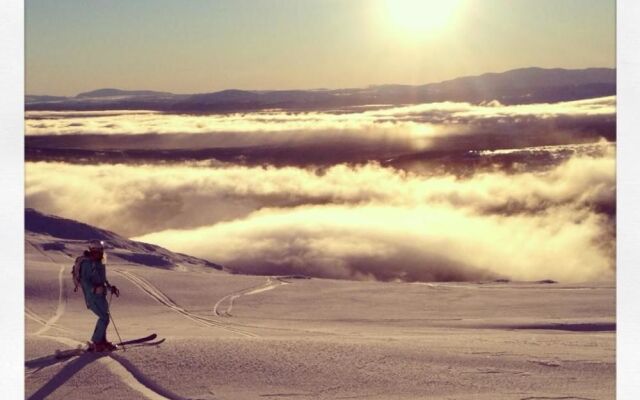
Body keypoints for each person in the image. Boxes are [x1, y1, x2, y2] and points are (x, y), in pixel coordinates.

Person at [79, 240, 120, 352]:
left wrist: (110, 287)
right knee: (104, 317)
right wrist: (94, 289)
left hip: (101, 295)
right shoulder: (87, 263)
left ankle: (102, 341)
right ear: (92, 251)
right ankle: (97, 342)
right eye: (97, 251)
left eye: (100, 251)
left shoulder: (99, 263)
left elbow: (102, 279)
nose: (99, 253)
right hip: (92, 297)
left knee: (105, 317)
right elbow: (84, 281)